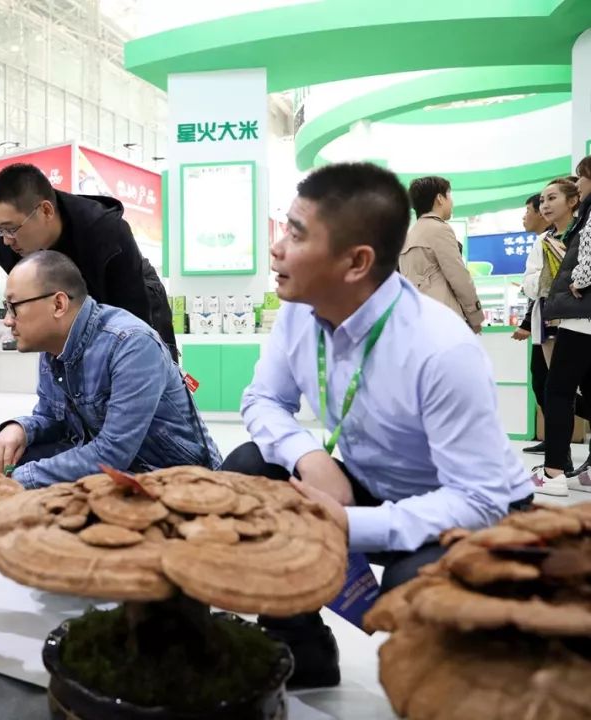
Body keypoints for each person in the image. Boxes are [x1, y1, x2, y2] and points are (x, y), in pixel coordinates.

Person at [226, 162, 532, 689]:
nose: (276, 249)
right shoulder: (300, 312)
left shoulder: (440, 348)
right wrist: (310, 457)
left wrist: (350, 525)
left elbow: (479, 498)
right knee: (250, 470)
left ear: (356, 262)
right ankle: (299, 648)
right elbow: (262, 400)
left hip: (469, 513)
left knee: (415, 588)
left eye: (296, 235)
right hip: (370, 484)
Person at [0, 251, 219, 488]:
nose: (7, 320)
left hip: (171, 478)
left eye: (14, 306)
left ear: (58, 304)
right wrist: (21, 429)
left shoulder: (131, 343)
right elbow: (52, 419)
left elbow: (113, 452)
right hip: (116, 471)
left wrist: (22, 479)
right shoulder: (54, 349)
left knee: (19, 482)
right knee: (14, 460)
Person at [0, 163, 178, 361]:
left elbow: (135, 321)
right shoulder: (6, 243)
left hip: (129, 294)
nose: (6, 239)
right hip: (68, 311)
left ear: (46, 211)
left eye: (11, 229)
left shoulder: (106, 232)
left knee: (144, 359)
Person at [538, 162, 591, 495]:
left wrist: (578, 279)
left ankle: (553, 473)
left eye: (583, 178)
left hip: (580, 318)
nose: (580, 183)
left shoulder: (587, 218)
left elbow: (588, 259)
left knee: (556, 390)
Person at [399, 176, 483, 332]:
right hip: (444, 318)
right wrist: (475, 316)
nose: (452, 202)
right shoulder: (439, 229)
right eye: (449, 195)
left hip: (417, 319)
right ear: (439, 198)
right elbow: (459, 277)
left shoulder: (410, 235)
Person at [514, 191, 561, 454]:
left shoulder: (557, 240)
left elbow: (543, 286)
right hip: (543, 322)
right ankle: (556, 444)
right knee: (543, 381)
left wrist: (525, 323)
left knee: (555, 384)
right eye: (541, 203)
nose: (527, 215)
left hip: (557, 322)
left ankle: (559, 447)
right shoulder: (543, 241)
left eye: (549, 201)